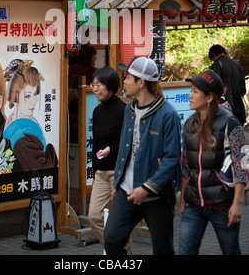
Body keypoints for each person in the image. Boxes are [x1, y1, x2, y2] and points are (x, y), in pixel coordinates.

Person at [104, 56, 181, 255]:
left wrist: (147, 188)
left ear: (141, 83)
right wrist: (117, 183)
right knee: (111, 239)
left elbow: (172, 158)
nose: (125, 81)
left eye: (128, 77)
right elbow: (125, 148)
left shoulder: (167, 114)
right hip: (126, 191)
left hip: (157, 195)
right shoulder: (129, 109)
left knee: (162, 249)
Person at [178, 70, 247, 255]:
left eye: (195, 92)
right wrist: (183, 200)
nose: (190, 96)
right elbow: (186, 165)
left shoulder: (231, 124)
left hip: (222, 204)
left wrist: (237, 203)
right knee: (185, 251)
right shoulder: (189, 125)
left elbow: (241, 165)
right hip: (193, 204)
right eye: (190, 90)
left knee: (231, 251)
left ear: (209, 97)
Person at [87, 66, 127, 249]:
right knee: (93, 216)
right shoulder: (97, 111)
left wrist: (112, 149)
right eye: (93, 85)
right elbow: (95, 143)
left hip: (120, 173)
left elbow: (130, 142)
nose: (95, 89)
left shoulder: (124, 110)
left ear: (110, 86)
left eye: (99, 85)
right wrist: (95, 172)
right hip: (102, 174)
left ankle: (123, 257)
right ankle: (115, 250)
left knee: (120, 222)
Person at [3, 59, 58, 171]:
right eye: (27, 96)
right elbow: (43, 169)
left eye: (35, 94)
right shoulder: (21, 137)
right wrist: (50, 150)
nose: (33, 101)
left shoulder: (18, 123)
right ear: (15, 97)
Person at [209, 44, 247, 125]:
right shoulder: (237, 64)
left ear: (213, 54)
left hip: (225, 107)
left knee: (226, 133)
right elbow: (243, 88)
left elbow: (215, 86)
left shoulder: (217, 64)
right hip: (239, 106)